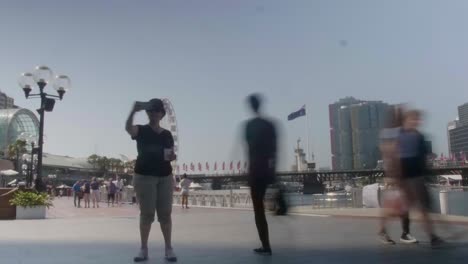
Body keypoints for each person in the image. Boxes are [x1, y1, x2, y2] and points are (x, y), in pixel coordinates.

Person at [126, 98, 177, 262]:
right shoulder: (140, 130)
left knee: (165, 214)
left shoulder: (167, 134)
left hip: (165, 176)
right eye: (151, 110)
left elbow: (169, 154)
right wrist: (133, 111)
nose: (154, 113)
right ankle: (143, 249)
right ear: (147, 113)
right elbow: (128, 128)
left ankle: (169, 248)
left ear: (162, 114)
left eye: (157, 111)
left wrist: (172, 156)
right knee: (146, 214)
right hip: (144, 176)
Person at [398, 110, 443, 247]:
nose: (417, 122)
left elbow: (423, 157)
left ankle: (431, 236)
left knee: (423, 208)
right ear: (407, 120)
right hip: (407, 178)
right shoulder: (401, 136)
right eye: (414, 119)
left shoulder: (419, 136)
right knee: (407, 207)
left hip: (418, 177)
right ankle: (406, 233)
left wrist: (426, 175)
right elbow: (397, 158)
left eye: (418, 120)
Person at [244, 94, 277, 256]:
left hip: (255, 171)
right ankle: (266, 244)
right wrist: (273, 172)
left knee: (258, 211)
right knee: (266, 207)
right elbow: (274, 150)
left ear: (251, 106)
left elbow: (248, 149)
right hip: (267, 171)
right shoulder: (270, 125)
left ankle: (266, 244)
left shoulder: (249, 125)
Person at [378, 106, 416, 244]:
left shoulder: (399, 131)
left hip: (401, 175)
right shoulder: (389, 133)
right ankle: (390, 232)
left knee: (402, 206)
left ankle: (404, 233)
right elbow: (389, 153)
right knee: (393, 208)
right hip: (395, 176)